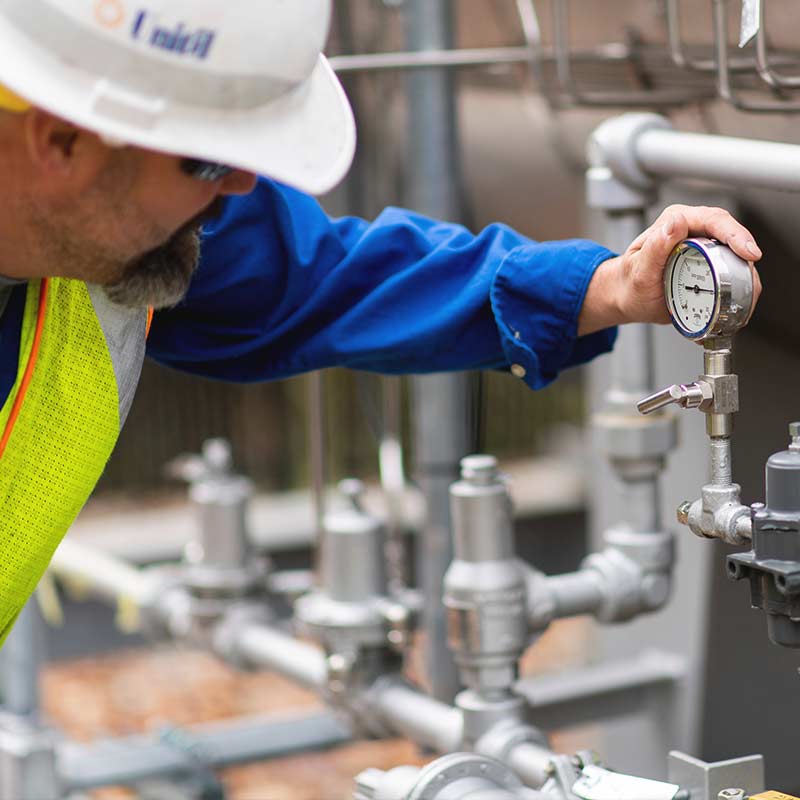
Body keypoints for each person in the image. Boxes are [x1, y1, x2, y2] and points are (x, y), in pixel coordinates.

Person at [0, 0, 761, 644]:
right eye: (206, 160)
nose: (241, 185)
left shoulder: (141, 218)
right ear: (60, 140)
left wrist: (611, 285)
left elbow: (332, 276)